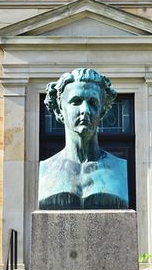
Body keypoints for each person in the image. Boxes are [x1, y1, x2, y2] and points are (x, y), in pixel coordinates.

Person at [37, 68, 129, 210]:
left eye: (92, 102)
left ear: (102, 111)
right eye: (76, 101)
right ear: (59, 110)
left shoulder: (119, 168)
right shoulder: (47, 169)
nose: (85, 110)